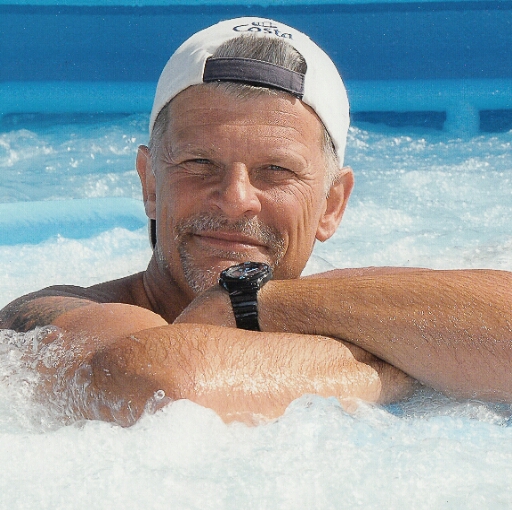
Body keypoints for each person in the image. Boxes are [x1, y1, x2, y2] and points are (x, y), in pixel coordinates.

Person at [1, 17, 511, 427]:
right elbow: (160, 388)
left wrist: (257, 303)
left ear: (332, 205)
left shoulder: (354, 307)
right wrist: (402, 363)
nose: (235, 200)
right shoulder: (47, 317)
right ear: (150, 184)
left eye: (276, 171)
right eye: (199, 163)